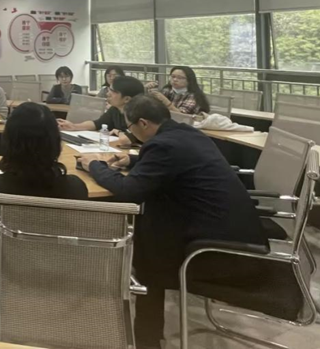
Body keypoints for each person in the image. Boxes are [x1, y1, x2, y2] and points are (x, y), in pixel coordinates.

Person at [78, 95, 266, 349]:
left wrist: (94, 165)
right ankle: (148, 334)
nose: (130, 132)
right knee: (149, 230)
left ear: (143, 123)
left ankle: (147, 340)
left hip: (217, 252)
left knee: (148, 249)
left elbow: (129, 191)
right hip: (235, 231)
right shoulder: (187, 133)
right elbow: (174, 164)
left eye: (130, 127)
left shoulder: (162, 145)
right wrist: (132, 160)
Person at [0, 103, 88, 259]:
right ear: (55, 141)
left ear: (8, 140)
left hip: (8, 268)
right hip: (62, 267)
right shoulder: (75, 187)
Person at [57, 76, 144, 146]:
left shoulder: (139, 114)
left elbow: (126, 140)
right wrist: (74, 126)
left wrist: (118, 132)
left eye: (112, 91)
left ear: (127, 99)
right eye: (109, 89)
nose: (108, 93)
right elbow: (96, 124)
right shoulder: (115, 109)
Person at [145, 65, 210, 115]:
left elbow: (181, 116)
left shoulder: (193, 96)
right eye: (173, 77)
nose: (175, 80)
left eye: (180, 78)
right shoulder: (167, 90)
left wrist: (165, 101)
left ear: (189, 80)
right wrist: (147, 90)